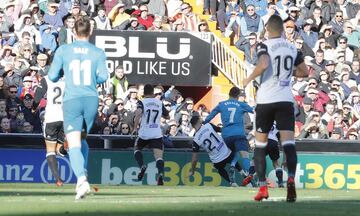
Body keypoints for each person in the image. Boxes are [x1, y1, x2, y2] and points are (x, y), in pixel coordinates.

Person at [242, 15, 308, 202]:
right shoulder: (292, 47)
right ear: (281, 29)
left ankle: (263, 187)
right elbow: (304, 72)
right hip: (285, 100)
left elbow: (263, 64)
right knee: (288, 144)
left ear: (268, 29)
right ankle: (291, 180)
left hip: (265, 100)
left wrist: (248, 79)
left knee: (260, 146)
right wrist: (287, 73)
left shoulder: (265, 45)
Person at [48, 17, 109, 200]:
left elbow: (51, 77)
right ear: (90, 32)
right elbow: (103, 76)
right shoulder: (98, 52)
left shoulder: (64, 50)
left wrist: (61, 72)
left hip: (72, 100)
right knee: (82, 140)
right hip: (90, 99)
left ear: (73, 32)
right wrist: (91, 79)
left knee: (73, 143)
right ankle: (82, 177)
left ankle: (82, 180)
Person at [204, 87, 253, 184]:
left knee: (232, 153)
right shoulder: (241, 104)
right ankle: (250, 175)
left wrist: (205, 123)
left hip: (226, 136)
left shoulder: (221, 105)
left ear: (229, 94)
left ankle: (232, 166)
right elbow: (253, 110)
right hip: (239, 134)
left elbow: (209, 118)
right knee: (245, 156)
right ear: (238, 96)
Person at [132, 84, 169, 185]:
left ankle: (142, 166)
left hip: (144, 133)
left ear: (144, 93)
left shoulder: (142, 102)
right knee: (159, 157)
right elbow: (167, 116)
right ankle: (160, 175)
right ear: (153, 93)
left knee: (136, 149)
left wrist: (135, 128)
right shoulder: (159, 103)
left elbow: (138, 113)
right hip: (156, 133)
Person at [189, 115, 242, 186]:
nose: (202, 118)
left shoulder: (195, 139)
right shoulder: (208, 125)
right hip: (226, 152)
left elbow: (194, 158)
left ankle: (231, 182)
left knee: (220, 169)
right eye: (200, 118)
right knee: (234, 157)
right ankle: (243, 173)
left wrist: (192, 170)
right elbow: (221, 130)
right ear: (198, 121)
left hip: (216, 160)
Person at [34, 74, 67, 186]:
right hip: (65, 118)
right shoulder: (70, 79)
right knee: (59, 149)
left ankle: (58, 179)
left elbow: (37, 97)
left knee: (50, 150)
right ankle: (65, 147)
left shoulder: (47, 79)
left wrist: (34, 107)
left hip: (51, 118)